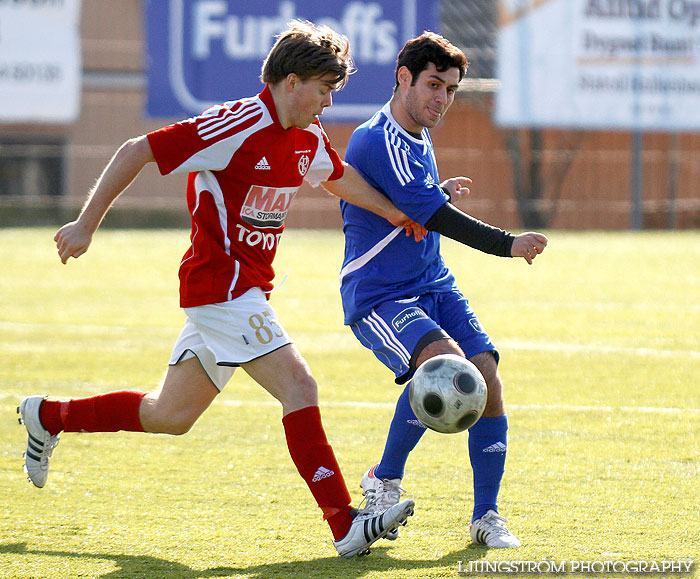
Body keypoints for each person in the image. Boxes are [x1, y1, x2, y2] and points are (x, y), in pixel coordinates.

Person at [17, 20, 417, 558]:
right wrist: (86, 224)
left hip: (244, 291)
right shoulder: (237, 123)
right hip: (221, 288)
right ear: (291, 81)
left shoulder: (307, 137)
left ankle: (47, 415)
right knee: (300, 388)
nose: (327, 103)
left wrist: (398, 213)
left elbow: (336, 175)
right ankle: (345, 524)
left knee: (170, 415)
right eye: (324, 90)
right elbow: (136, 149)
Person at [338, 32, 548, 548]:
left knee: (487, 379)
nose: (443, 99)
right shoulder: (377, 137)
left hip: (432, 284)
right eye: (434, 84)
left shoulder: (417, 134)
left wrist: (438, 189)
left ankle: (486, 517)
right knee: (446, 368)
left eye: (452, 89)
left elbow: (417, 199)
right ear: (402, 78)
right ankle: (382, 482)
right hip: (382, 294)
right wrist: (508, 243)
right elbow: (429, 215)